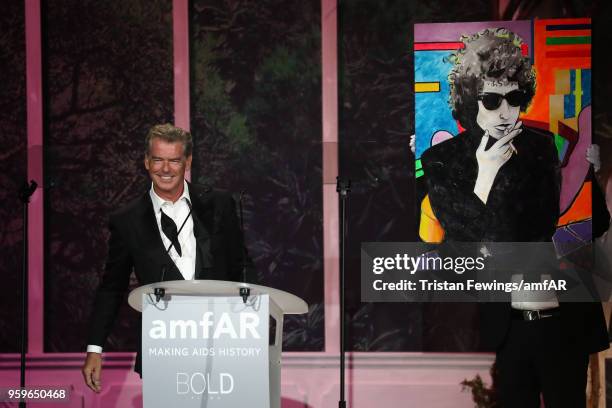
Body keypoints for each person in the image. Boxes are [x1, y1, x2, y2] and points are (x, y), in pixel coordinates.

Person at [420, 28, 608, 407]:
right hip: (508, 325)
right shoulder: (443, 161)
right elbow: (466, 241)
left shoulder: (539, 148)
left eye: (515, 98)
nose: (505, 111)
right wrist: (486, 176)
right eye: (491, 100)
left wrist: (590, 180)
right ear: (470, 100)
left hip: (563, 321)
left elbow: (548, 229)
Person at [81, 123, 254, 392]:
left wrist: (252, 332)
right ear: (146, 161)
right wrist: (95, 348)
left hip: (224, 344)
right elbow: (112, 287)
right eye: (158, 160)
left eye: (174, 160)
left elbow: (241, 266)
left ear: (187, 162)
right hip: (162, 346)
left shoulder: (219, 204)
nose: (165, 169)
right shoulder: (128, 220)